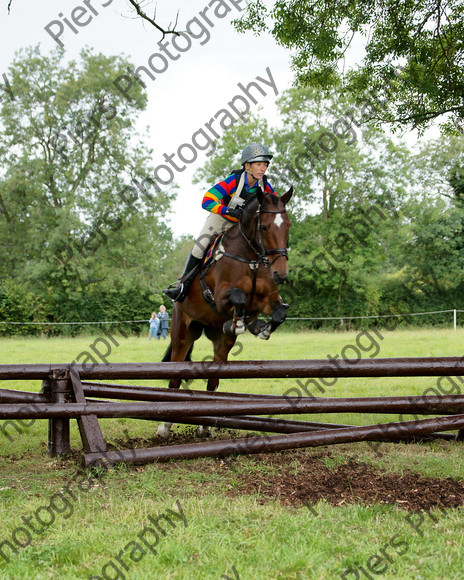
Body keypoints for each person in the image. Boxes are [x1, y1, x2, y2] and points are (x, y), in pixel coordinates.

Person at [163, 143, 276, 302]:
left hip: (242, 225)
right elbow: (206, 200)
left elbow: (275, 204)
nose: (263, 168)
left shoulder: (265, 185)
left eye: (265, 165)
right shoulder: (233, 181)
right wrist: (227, 211)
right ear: (247, 166)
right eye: (258, 164)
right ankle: (182, 286)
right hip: (221, 218)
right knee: (200, 247)